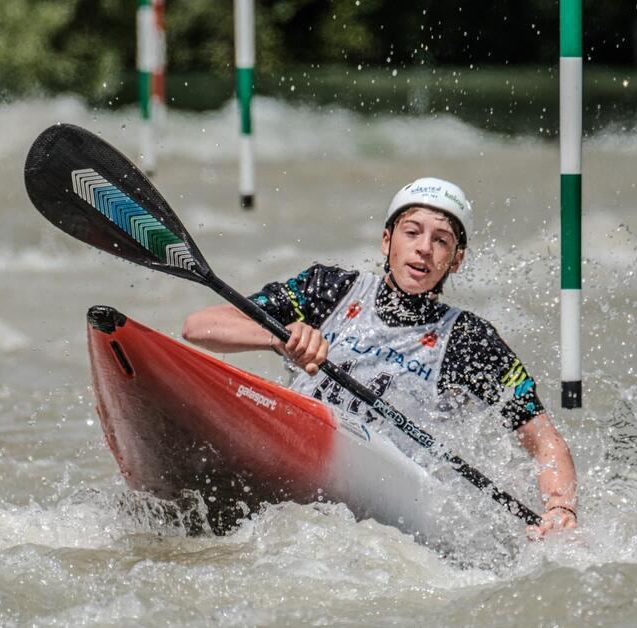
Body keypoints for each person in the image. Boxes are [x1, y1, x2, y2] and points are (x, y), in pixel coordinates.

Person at [181, 177, 577, 539]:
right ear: (387, 241)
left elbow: (545, 442)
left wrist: (560, 508)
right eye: (412, 232)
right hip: (294, 443)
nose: (424, 247)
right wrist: (278, 338)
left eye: (441, 241)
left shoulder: (470, 341)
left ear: (455, 261)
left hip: (379, 503)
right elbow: (198, 327)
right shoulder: (327, 289)